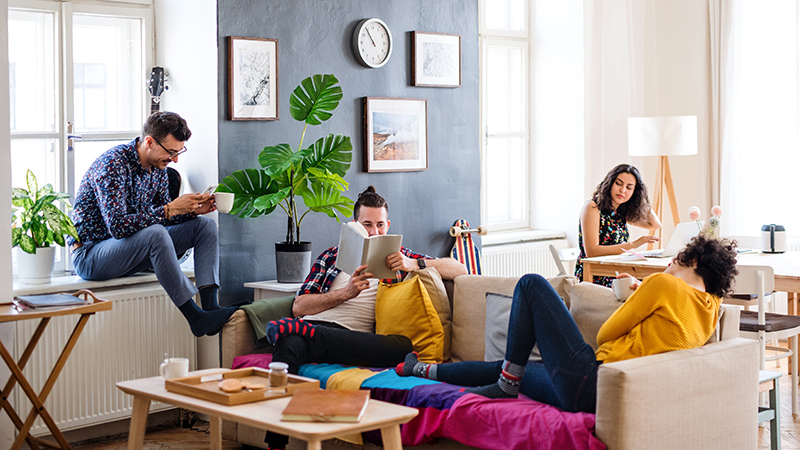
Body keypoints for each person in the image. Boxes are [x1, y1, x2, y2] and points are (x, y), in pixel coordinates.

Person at [396, 235, 738, 414]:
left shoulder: (664, 285)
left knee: (531, 284)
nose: (668, 266)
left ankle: (505, 383)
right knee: (510, 370)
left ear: (690, 260)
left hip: (592, 379)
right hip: (601, 398)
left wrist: (643, 289)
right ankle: (421, 370)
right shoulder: (711, 310)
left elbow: (606, 334)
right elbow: (660, 333)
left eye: (675, 261)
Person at [262, 186, 467, 450]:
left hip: (357, 343)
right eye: (367, 225)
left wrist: (413, 264)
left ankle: (297, 332)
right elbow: (299, 307)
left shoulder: (400, 259)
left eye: (380, 225)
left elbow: (459, 268)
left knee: (403, 347)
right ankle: (275, 445)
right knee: (287, 348)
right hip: (316, 328)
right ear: (355, 225)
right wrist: (345, 294)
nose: (374, 232)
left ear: (388, 225)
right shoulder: (332, 257)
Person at [68, 111, 237, 337]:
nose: (175, 160)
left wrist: (190, 211)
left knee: (204, 227)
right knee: (156, 234)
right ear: (149, 142)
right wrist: (171, 208)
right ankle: (195, 317)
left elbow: (162, 217)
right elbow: (118, 227)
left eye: (179, 152)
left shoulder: (157, 169)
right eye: (171, 152)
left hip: (129, 252)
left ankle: (210, 308)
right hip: (91, 254)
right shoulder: (112, 165)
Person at [576, 164, 662, 286]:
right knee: (649, 287)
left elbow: (655, 224)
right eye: (619, 184)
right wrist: (633, 244)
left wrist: (639, 197)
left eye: (629, 187)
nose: (622, 190)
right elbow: (592, 251)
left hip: (617, 272)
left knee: (656, 282)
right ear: (610, 183)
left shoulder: (621, 212)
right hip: (595, 275)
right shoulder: (593, 207)